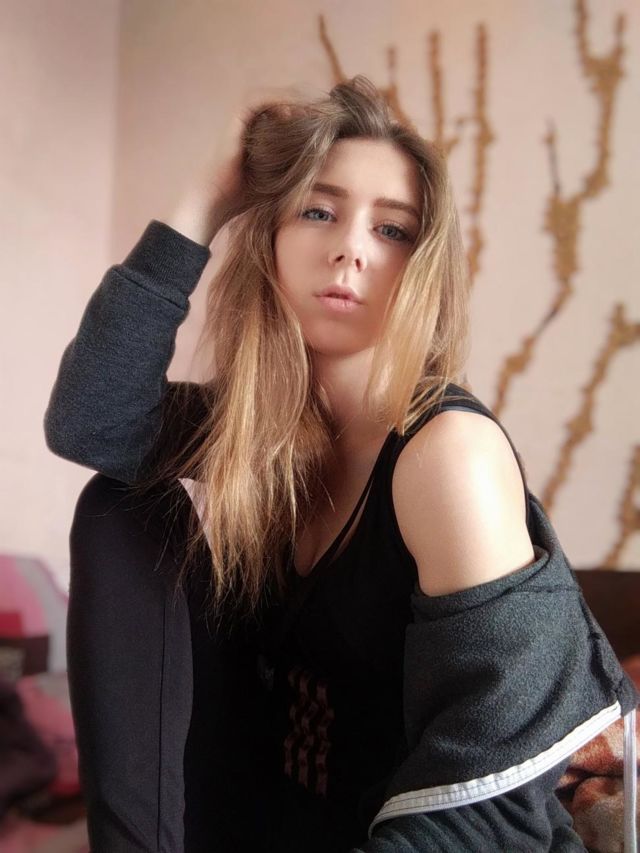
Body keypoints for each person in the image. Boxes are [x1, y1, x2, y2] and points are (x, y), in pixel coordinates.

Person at [44, 76, 638, 853]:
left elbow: (492, 794)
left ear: (423, 266)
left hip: (433, 839)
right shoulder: (263, 429)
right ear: (271, 240)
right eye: (318, 211)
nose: (350, 247)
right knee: (118, 504)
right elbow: (92, 421)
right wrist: (205, 203)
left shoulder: (446, 454)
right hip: (278, 816)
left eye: (392, 230)